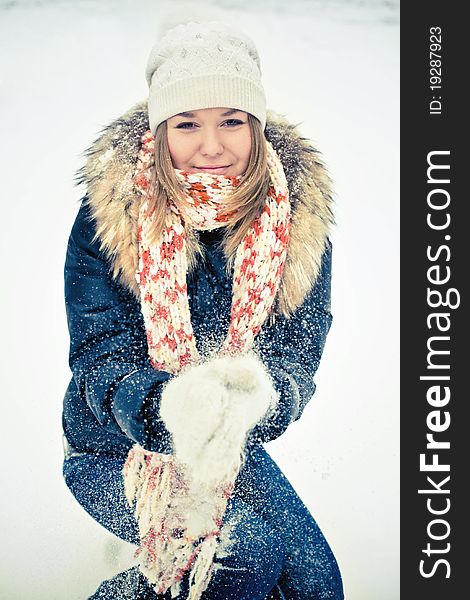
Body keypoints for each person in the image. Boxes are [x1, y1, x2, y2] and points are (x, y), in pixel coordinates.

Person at [62, 20, 344, 600]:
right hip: (113, 445)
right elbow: (98, 355)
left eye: (232, 121)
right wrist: (164, 406)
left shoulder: (298, 227)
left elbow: (295, 358)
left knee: (316, 586)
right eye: (187, 124)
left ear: (257, 128)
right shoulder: (111, 218)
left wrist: (259, 398)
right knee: (242, 561)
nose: (211, 146)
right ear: (161, 130)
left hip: (226, 449)